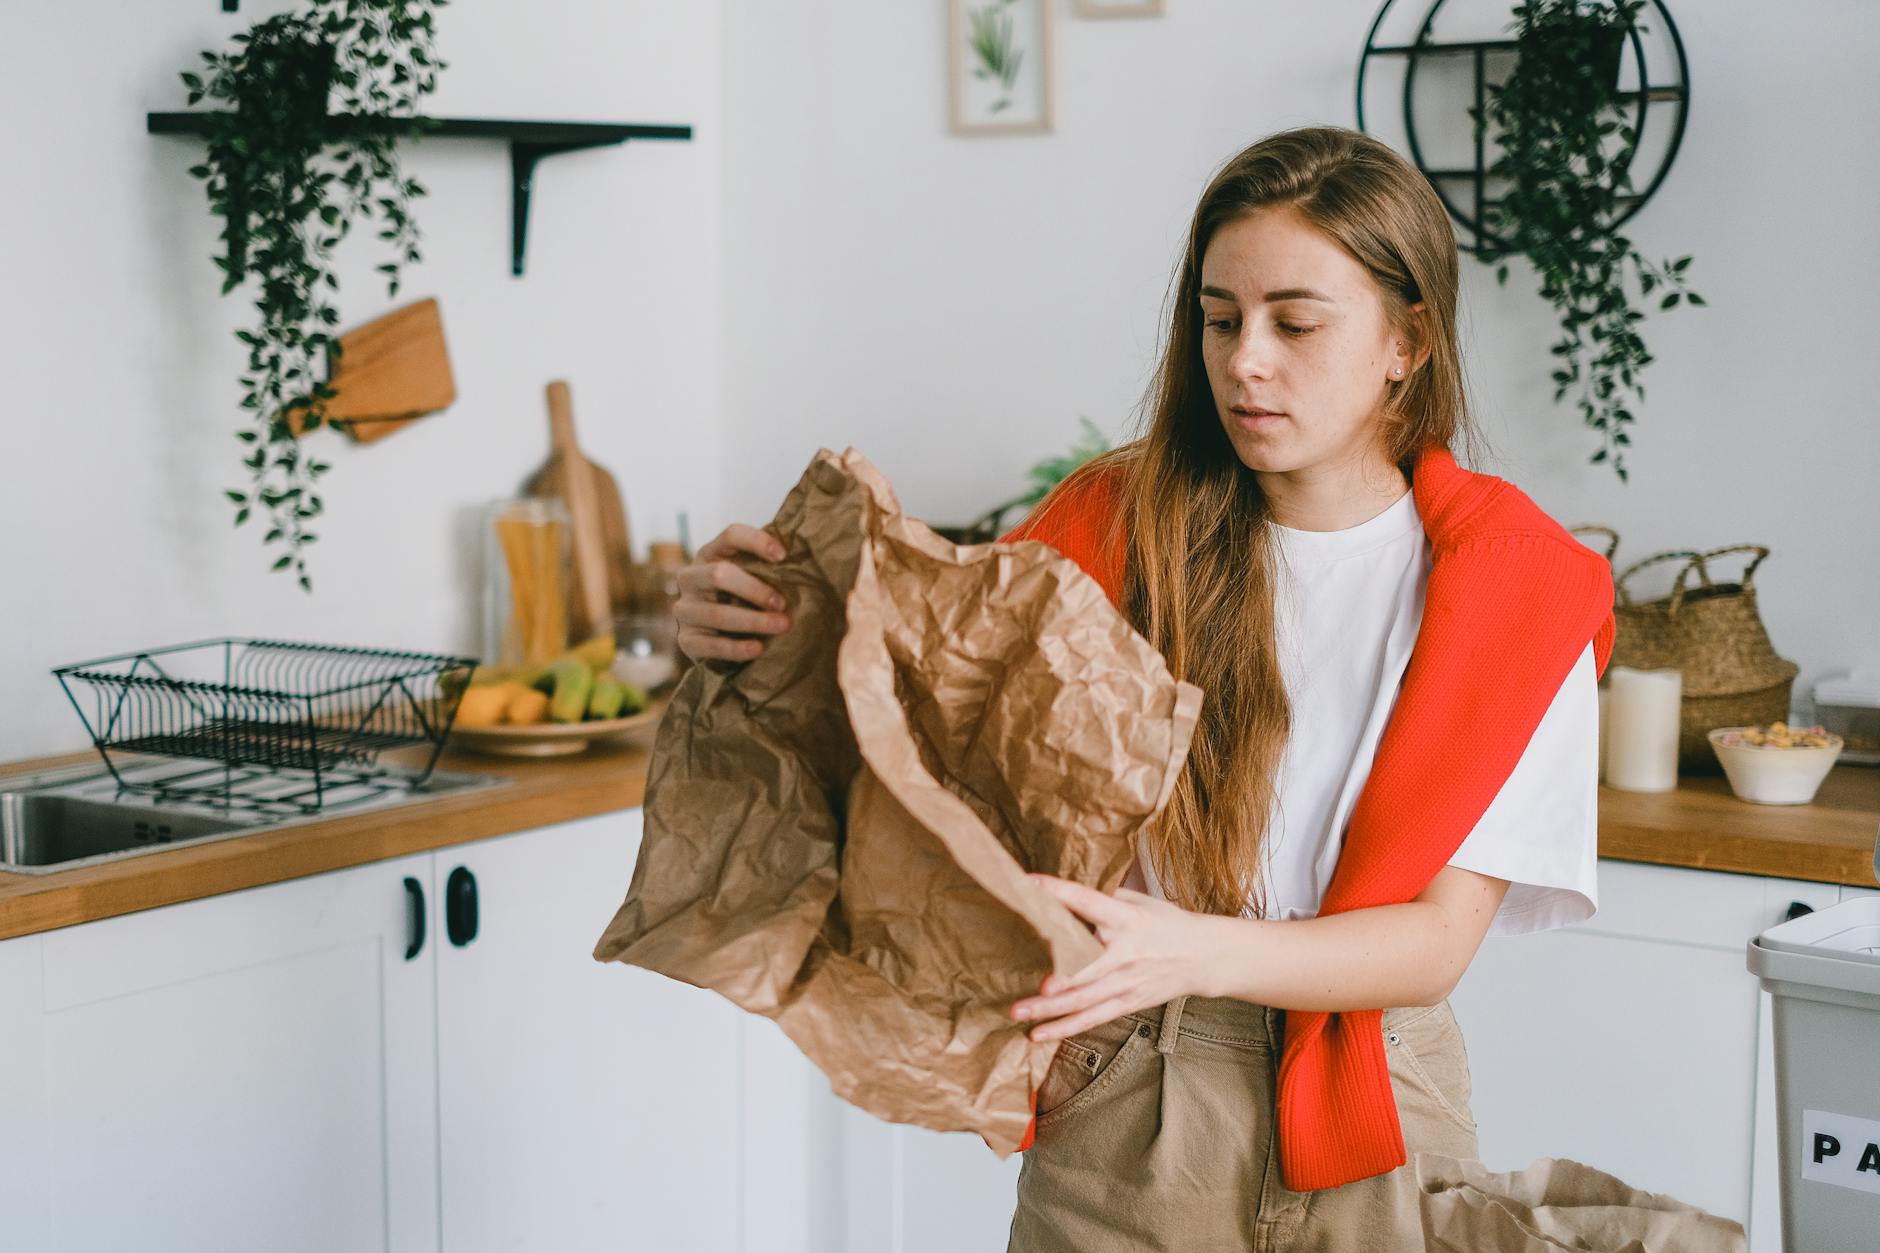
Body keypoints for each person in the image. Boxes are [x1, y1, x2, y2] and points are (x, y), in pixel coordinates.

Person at [670, 125, 1606, 1250]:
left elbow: (1432, 942)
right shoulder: (1109, 529)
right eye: (1220, 319)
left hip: (1381, 1093)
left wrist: (1192, 948)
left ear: (1406, 340)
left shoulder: (1518, 588)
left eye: (1293, 323)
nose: (1244, 359)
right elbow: (913, 731)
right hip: (1130, 1075)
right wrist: (755, 631)